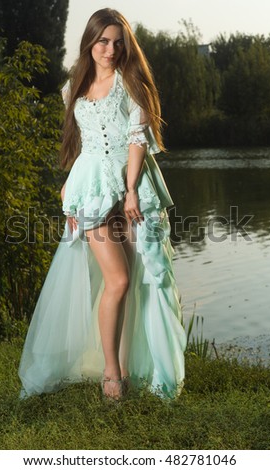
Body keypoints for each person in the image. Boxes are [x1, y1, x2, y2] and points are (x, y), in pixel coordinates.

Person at [18, 8, 186, 401]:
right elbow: (82, 140)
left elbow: (137, 140)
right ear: (90, 42)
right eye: (103, 41)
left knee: (139, 280)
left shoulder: (132, 83)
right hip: (91, 187)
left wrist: (129, 190)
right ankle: (111, 375)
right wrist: (69, 181)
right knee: (118, 279)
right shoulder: (72, 87)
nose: (110, 49)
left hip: (133, 185)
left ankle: (128, 368)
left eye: (117, 41)